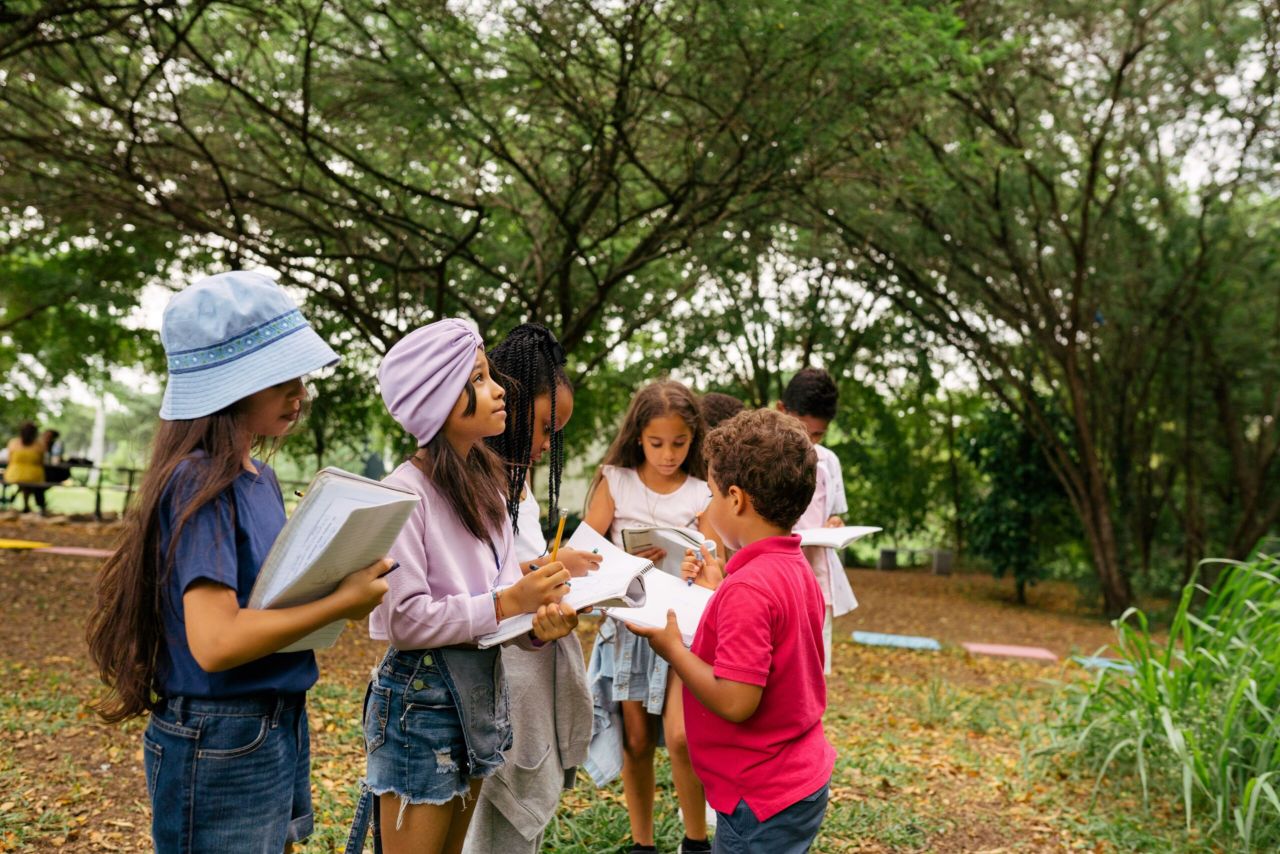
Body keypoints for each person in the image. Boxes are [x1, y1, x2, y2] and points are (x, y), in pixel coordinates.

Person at [84, 270, 392, 852]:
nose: (297, 393)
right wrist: (339, 602)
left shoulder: (260, 477)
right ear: (230, 384)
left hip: (276, 719)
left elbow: (266, 598)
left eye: (299, 376)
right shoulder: (201, 480)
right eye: (280, 378)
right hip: (219, 734)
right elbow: (217, 642)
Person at [349, 318, 580, 854]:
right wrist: (509, 601)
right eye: (478, 379)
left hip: (480, 695)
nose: (499, 389)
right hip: (420, 702)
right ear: (438, 400)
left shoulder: (491, 488)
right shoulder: (402, 496)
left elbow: (501, 610)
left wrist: (541, 624)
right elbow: (402, 620)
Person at [629, 408, 835, 853]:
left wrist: (672, 650)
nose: (707, 508)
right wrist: (719, 589)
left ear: (736, 499)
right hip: (796, 778)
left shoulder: (750, 588)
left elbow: (738, 700)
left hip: (760, 798)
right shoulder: (792, 569)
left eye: (712, 496)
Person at [463, 323, 601, 853]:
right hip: (493, 674)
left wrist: (553, 570)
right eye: (545, 426)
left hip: (527, 656)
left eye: (557, 433)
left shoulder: (516, 480)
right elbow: (486, 582)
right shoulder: (473, 480)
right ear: (510, 398)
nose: (548, 443)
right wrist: (548, 565)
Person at [583, 380, 720, 854]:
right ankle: (643, 844)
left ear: (694, 438)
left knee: (682, 737)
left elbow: (712, 567)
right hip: (628, 627)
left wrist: (695, 564)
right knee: (636, 740)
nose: (668, 455)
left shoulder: (703, 492)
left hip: (680, 628)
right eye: (657, 443)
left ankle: (696, 841)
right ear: (638, 435)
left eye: (679, 444)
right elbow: (587, 548)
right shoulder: (615, 481)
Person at [778, 368, 856, 673]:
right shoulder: (766, 459)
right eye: (801, 431)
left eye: (817, 435)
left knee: (814, 664)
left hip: (818, 579)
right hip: (780, 573)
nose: (808, 443)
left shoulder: (829, 462)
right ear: (781, 411)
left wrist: (834, 523)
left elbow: (834, 513)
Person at [4, 421, 47, 513]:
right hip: (34, 474)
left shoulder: (13, 443)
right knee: (30, 482)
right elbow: (41, 462)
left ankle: (19, 497)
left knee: (24, 482)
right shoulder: (39, 445)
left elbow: (9, 460)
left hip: (14, 474)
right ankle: (29, 504)